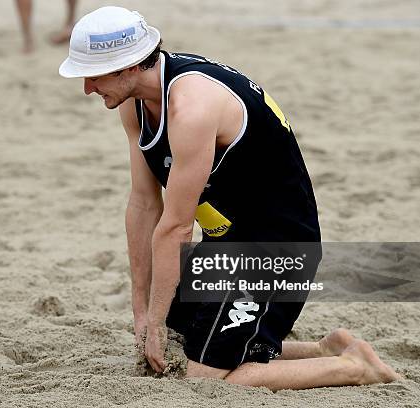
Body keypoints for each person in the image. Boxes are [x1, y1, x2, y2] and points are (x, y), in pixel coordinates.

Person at [58, 6, 400, 389]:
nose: (87, 88)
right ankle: (325, 349)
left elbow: (176, 227)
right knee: (175, 346)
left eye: (92, 75)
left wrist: (154, 321)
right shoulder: (137, 104)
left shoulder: (191, 107)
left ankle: (355, 368)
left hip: (275, 250)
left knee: (202, 375)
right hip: (227, 243)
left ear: (128, 67)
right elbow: (143, 206)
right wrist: (142, 314)